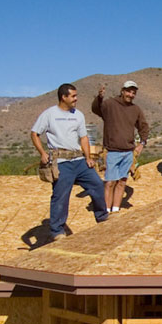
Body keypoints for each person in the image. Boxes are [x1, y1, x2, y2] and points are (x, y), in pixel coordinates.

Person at [30, 83, 109, 240]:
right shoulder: (49, 114)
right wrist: (42, 153)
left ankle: (102, 217)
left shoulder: (78, 115)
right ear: (63, 97)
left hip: (79, 160)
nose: (76, 99)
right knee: (61, 195)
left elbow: (84, 137)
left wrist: (88, 158)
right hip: (61, 161)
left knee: (97, 185)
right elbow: (34, 133)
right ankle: (57, 231)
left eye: (76, 95)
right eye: (73, 96)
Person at [91, 80, 149, 212]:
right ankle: (106, 211)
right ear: (122, 91)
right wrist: (99, 97)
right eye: (129, 91)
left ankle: (116, 210)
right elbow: (96, 109)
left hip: (128, 152)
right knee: (110, 183)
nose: (131, 94)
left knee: (122, 181)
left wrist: (142, 143)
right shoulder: (110, 104)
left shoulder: (135, 109)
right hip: (112, 151)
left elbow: (143, 127)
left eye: (133, 93)